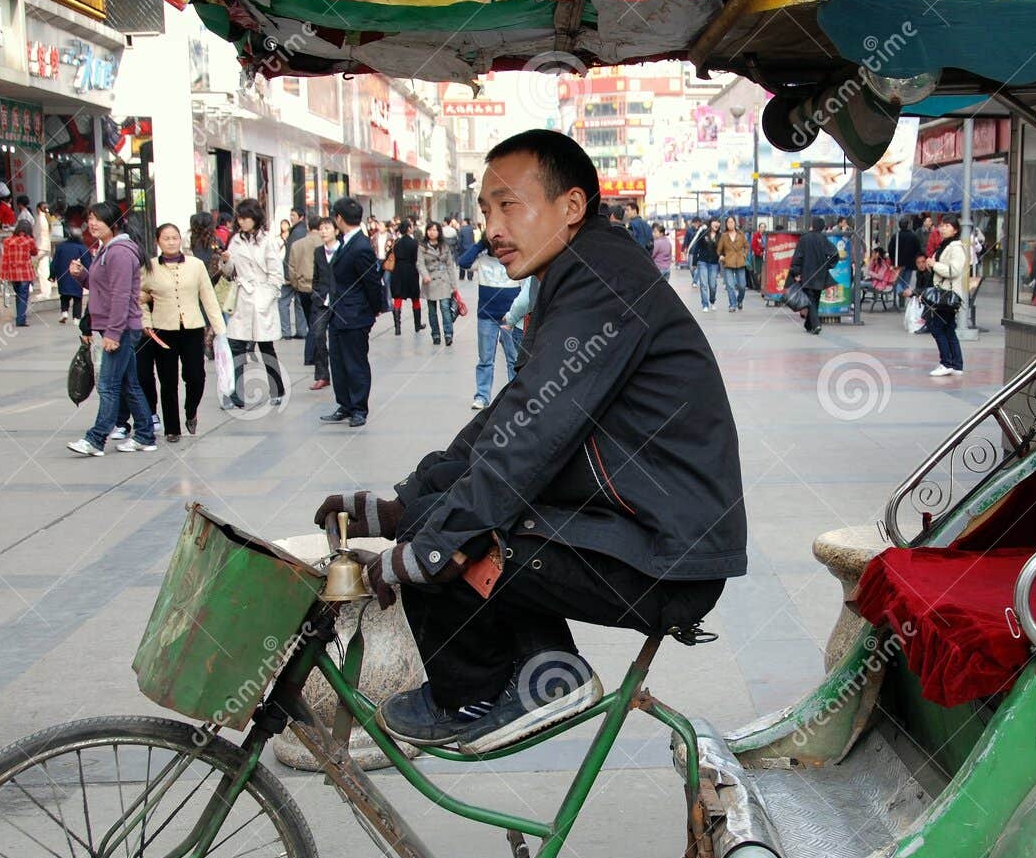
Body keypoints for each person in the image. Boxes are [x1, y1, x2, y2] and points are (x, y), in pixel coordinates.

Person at [314, 128, 746, 754]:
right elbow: (513, 414)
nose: (491, 226)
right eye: (486, 208)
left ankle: (471, 693)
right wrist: (404, 502)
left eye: (508, 204)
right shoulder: (575, 270)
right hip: (637, 522)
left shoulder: (600, 277)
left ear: (571, 207)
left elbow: (531, 437)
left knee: (451, 544)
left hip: (665, 553)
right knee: (444, 516)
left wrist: (429, 542)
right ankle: (549, 671)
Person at [67, 203, 155, 456]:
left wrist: (114, 333)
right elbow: (102, 288)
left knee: (107, 385)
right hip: (117, 326)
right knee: (129, 384)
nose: (92, 224)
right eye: (90, 219)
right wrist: (82, 275)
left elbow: (120, 294)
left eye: (98, 220)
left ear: (113, 223)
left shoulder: (119, 252)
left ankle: (95, 439)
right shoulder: (106, 249)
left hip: (121, 327)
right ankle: (145, 435)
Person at [139, 222, 225, 441]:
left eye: (174, 237)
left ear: (180, 240)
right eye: (166, 238)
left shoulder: (195, 265)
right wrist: (146, 323)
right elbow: (139, 297)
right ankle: (172, 429)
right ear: (158, 242)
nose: (171, 242)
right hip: (162, 330)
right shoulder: (149, 267)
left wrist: (219, 329)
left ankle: (191, 411)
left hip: (192, 327)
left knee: (196, 376)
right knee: (168, 381)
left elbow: (208, 297)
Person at [220, 197, 286, 409]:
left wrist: (266, 298)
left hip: (260, 299)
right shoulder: (235, 240)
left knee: (266, 348)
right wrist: (226, 260)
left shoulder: (268, 242)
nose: (242, 222)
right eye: (239, 218)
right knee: (237, 346)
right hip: (241, 299)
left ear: (255, 218)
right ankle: (237, 394)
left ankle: (277, 390)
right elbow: (229, 273)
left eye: (246, 218)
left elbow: (277, 275)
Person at [320, 196, 380, 428]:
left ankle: (358, 408)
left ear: (339, 218)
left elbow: (372, 283)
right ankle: (344, 404)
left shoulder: (361, 246)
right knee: (338, 362)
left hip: (355, 315)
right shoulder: (346, 242)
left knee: (355, 363)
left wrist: (372, 310)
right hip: (338, 314)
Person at [455, 233, 522, 409]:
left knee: (513, 359)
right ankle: (482, 396)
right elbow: (463, 262)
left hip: (510, 315)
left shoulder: (513, 258)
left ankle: (513, 398)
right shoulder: (482, 260)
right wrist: (480, 244)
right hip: (487, 315)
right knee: (485, 358)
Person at [924, 212, 968, 377]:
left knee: (936, 327)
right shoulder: (944, 245)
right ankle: (957, 364)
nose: (943, 228)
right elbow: (937, 267)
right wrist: (931, 264)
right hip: (943, 294)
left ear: (955, 230)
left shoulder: (956, 247)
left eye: (947, 226)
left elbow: (953, 270)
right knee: (949, 328)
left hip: (947, 295)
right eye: (942, 225)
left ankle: (946, 362)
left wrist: (934, 264)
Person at [786, 216, 839, 334]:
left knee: (810, 300)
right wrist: (828, 265)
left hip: (807, 274)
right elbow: (835, 253)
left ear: (813, 225)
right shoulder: (824, 239)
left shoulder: (804, 239)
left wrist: (796, 272)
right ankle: (808, 324)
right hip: (820, 275)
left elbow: (798, 257)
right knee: (816, 299)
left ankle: (816, 325)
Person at [418, 219, 460, 347]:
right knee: (432, 310)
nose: (432, 232)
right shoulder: (422, 246)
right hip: (429, 281)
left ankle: (448, 334)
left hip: (443, 280)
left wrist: (454, 285)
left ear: (439, 231)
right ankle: (435, 334)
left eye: (435, 230)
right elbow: (420, 263)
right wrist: (425, 275)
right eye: (430, 230)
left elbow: (450, 266)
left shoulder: (445, 246)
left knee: (445, 307)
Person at [306, 216, 336, 390]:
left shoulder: (343, 249)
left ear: (336, 230)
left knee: (338, 340)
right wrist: (316, 294)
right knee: (317, 335)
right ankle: (322, 375)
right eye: (321, 228)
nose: (323, 231)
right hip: (321, 300)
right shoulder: (318, 252)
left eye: (327, 228)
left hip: (340, 300)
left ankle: (341, 372)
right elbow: (316, 277)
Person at [288, 215, 320, 361]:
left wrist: (296, 284)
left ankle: (313, 353)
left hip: (302, 287)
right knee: (316, 322)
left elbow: (291, 268)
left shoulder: (297, 244)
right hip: (318, 287)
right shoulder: (324, 243)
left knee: (310, 320)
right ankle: (310, 355)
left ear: (308, 227)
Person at [389, 219, 423, 335]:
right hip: (411, 272)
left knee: (398, 298)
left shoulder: (396, 242)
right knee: (415, 298)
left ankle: (397, 328)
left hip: (398, 272)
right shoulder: (414, 243)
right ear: (409, 228)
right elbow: (416, 259)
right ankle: (417, 325)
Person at [0, 221, 36, 327]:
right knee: (24, 295)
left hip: (13, 273)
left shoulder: (7, 241)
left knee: (18, 295)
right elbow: (35, 252)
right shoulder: (29, 241)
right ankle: (20, 319)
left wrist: (3, 273)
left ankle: (20, 316)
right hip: (25, 272)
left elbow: (5, 258)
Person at [51, 227, 89, 324]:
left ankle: (64, 312)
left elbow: (54, 262)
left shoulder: (60, 247)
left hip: (62, 274)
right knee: (77, 297)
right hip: (76, 275)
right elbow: (88, 263)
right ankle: (76, 318)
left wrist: (52, 274)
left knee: (64, 295)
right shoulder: (82, 248)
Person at [277, 215, 304, 339]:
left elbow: (290, 255)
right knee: (299, 303)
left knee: (283, 301)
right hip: (301, 274)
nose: (291, 218)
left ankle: (285, 331)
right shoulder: (303, 231)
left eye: (293, 215)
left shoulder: (296, 233)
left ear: (301, 217)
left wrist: (287, 274)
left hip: (293, 273)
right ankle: (302, 330)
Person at [717, 216, 749, 312]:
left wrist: (744, 255)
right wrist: (721, 256)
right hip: (728, 263)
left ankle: (739, 300)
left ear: (735, 223)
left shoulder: (741, 234)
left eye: (732, 222)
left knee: (742, 286)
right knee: (730, 286)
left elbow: (747, 246)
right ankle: (732, 305)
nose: (730, 224)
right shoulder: (724, 236)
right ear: (726, 224)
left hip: (740, 262)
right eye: (728, 222)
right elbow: (719, 250)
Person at [689, 218, 720, 311]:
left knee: (713, 285)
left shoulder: (721, 235)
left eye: (718, 222)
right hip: (702, 262)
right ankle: (705, 304)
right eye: (715, 222)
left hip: (714, 263)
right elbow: (696, 247)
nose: (717, 224)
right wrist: (694, 262)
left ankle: (712, 300)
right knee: (703, 284)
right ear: (710, 223)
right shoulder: (703, 232)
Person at [887, 214, 922, 297]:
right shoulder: (913, 236)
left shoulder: (896, 236)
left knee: (898, 281)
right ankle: (903, 298)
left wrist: (893, 260)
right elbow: (918, 249)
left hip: (898, 263)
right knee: (906, 281)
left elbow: (890, 249)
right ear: (908, 225)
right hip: (910, 263)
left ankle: (900, 295)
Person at [30, 201, 52, 300]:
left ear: (38, 209)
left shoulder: (39, 218)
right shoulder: (48, 218)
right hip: (47, 247)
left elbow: (35, 233)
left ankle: (30, 286)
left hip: (40, 246)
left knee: (31, 264)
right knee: (44, 270)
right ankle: (47, 291)